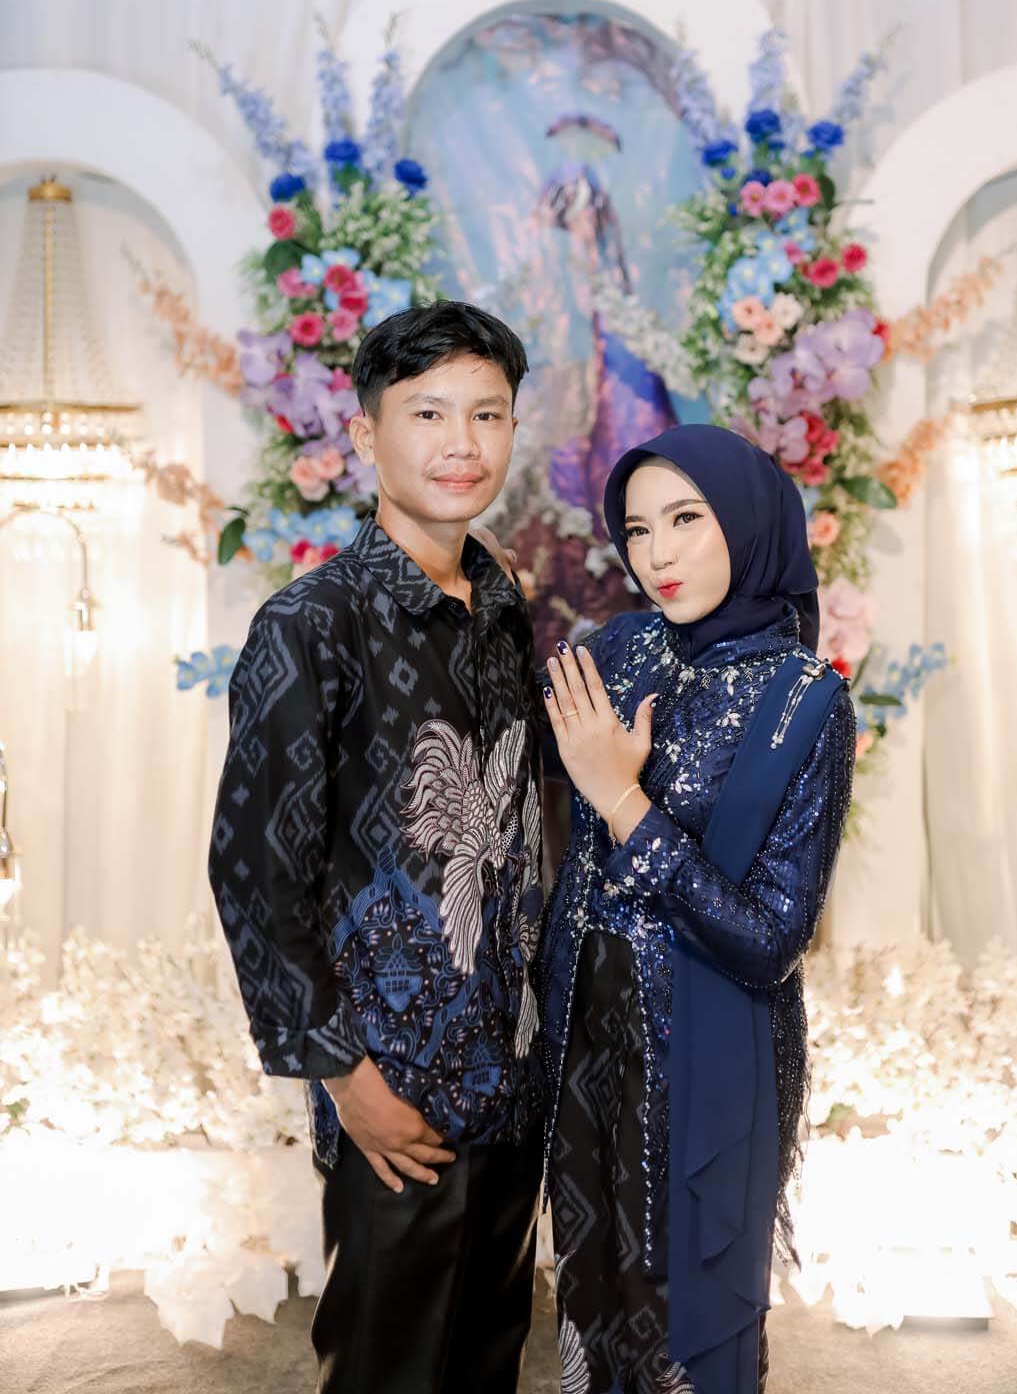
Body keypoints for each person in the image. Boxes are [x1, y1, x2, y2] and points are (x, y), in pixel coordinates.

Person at [209, 301, 545, 1394]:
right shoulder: (311, 624)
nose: (461, 442)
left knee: (487, 1362)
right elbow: (255, 871)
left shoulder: (501, 611)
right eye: (428, 413)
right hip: (390, 1087)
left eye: (486, 413)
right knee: (387, 1371)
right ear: (365, 433)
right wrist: (343, 1077)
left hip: (511, 1075)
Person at [537, 424, 855, 1394]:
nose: (656, 554)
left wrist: (623, 802)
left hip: (702, 1064)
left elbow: (769, 941)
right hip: (583, 1051)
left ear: (747, 523)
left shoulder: (805, 704)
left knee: (683, 1327)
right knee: (592, 1312)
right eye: (637, 530)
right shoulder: (617, 651)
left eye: (684, 519)